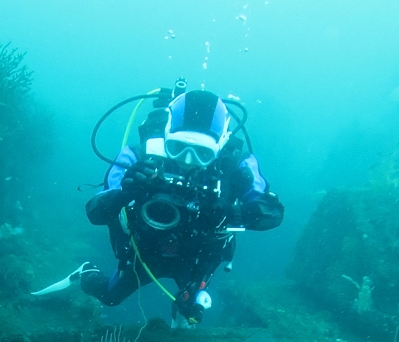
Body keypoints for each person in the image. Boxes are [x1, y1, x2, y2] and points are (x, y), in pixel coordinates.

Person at [35, 87, 284, 326]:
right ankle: (86, 272)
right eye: (177, 148)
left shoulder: (236, 166)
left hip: (197, 256)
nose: (188, 161)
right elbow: (95, 212)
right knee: (110, 296)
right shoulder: (137, 158)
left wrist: (230, 212)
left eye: (202, 153)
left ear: (220, 146)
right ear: (166, 135)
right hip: (145, 251)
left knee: (193, 310)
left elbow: (272, 213)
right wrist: (126, 191)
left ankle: (185, 309)